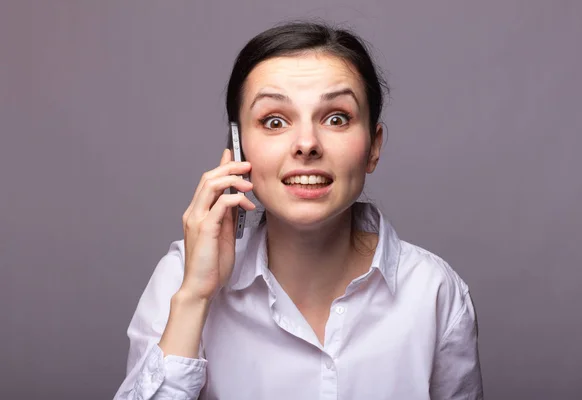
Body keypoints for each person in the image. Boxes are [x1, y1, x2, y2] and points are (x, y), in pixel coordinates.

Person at [114, 21, 483, 400]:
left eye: (336, 118)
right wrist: (195, 296)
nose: (307, 144)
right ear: (238, 150)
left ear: (373, 146)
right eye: (274, 121)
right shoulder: (181, 276)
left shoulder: (434, 291)